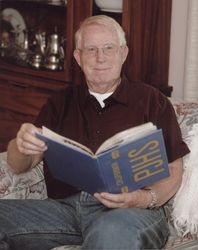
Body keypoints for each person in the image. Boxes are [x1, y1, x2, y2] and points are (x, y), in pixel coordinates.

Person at [0, 15, 189, 250]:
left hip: (130, 211)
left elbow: (174, 170)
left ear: (123, 53)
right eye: (91, 49)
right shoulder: (60, 102)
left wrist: (142, 199)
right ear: (78, 58)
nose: (100, 58)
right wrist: (20, 145)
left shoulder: (152, 101)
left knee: (110, 233)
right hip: (64, 210)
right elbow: (20, 165)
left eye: (108, 48)